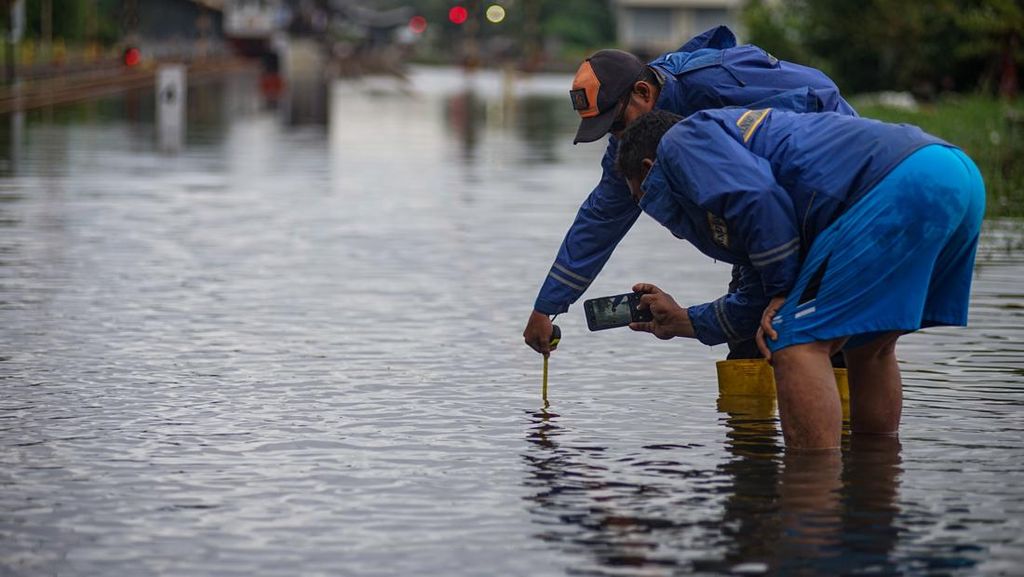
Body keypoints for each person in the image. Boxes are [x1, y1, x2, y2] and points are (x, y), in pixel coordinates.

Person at [614, 109, 985, 449]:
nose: (649, 210)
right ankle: (874, 489)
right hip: (953, 173)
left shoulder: (681, 142)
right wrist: (685, 321)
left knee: (792, 341)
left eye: (640, 196)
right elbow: (755, 292)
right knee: (868, 346)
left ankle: (810, 504)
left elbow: (758, 198)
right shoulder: (739, 166)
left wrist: (782, 292)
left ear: (649, 169)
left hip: (895, 187)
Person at [523, 26, 857, 358]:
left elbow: (819, 101)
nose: (617, 137)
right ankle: (749, 412)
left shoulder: (713, 86)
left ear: (643, 91)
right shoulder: (632, 139)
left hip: (831, 195)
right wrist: (547, 307)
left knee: (803, 334)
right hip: (756, 215)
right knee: (748, 333)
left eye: (616, 124)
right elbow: (601, 218)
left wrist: (782, 284)